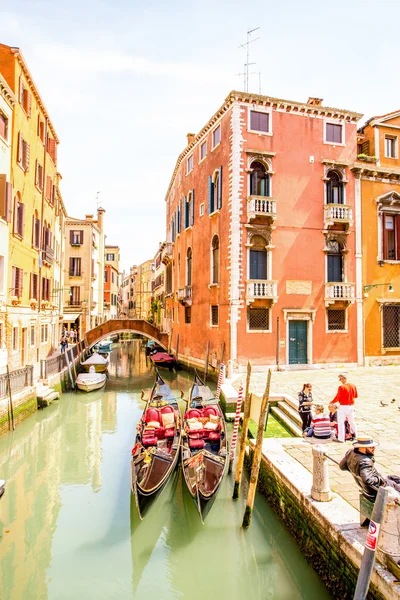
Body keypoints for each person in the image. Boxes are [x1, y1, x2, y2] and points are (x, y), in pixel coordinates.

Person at [339, 436, 400, 501]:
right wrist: (380, 480)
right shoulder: (365, 461)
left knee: (392, 477)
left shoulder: (350, 452)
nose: (374, 448)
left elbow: (342, 466)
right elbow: (367, 480)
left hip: (366, 486)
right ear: (362, 448)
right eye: (371, 447)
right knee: (395, 484)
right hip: (376, 489)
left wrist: (355, 470)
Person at [331, 373, 358, 443]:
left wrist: (332, 402)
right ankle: (356, 436)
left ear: (344, 378)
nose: (340, 380)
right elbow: (355, 396)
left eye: (340, 379)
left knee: (340, 422)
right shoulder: (353, 386)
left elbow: (338, 397)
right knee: (352, 421)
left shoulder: (341, 387)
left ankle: (341, 438)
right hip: (351, 406)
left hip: (343, 406)